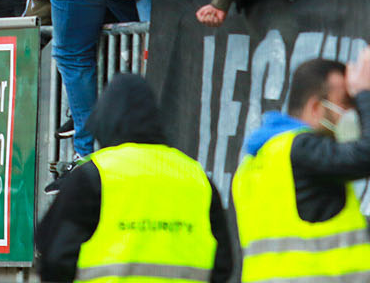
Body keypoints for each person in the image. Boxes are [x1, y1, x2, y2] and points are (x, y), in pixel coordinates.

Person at [36, 74, 229, 283]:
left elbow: (54, 255)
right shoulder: (197, 178)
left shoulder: (95, 176)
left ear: (105, 121)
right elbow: (224, 264)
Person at [232, 50, 370, 283]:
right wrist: (368, 94)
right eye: (347, 103)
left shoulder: (255, 160)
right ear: (316, 108)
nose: (352, 113)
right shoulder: (301, 150)